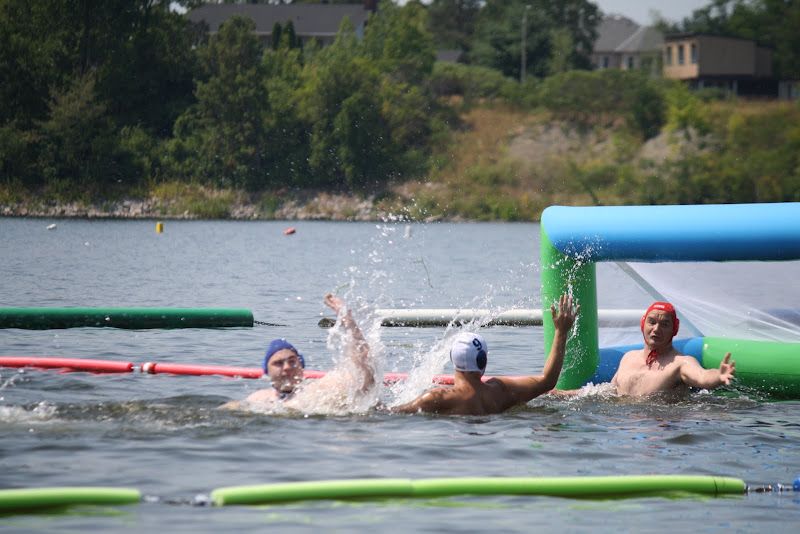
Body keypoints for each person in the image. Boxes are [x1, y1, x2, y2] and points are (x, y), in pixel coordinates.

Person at [390, 293, 578, 416]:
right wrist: (561, 332)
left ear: (452, 359)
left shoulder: (438, 397)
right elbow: (548, 380)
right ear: (483, 361)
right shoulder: (499, 391)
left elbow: (391, 414)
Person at [221, 293, 375, 410]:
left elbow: (364, 370)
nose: (287, 367)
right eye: (278, 363)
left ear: (301, 367)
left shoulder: (322, 389)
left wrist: (347, 319)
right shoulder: (258, 398)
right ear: (267, 371)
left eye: (292, 361)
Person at [609, 301, 736, 396]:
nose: (656, 329)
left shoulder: (680, 363)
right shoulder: (628, 358)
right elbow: (608, 393)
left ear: (674, 330)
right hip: (626, 427)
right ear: (643, 324)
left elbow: (701, 376)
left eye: (664, 324)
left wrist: (718, 376)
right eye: (652, 322)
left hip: (662, 426)